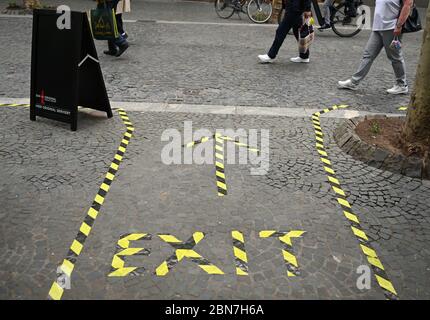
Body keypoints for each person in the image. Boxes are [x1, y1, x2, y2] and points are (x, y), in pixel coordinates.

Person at [338, 0, 413, 94]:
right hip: (378, 27)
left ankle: (402, 85)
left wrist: (399, 25)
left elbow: (408, 4)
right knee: (368, 55)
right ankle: (354, 82)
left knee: (395, 57)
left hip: (391, 27)